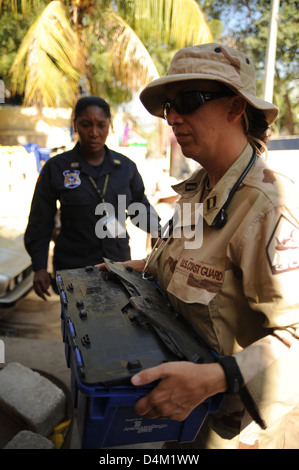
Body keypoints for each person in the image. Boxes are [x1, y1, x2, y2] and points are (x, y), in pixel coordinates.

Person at [99, 43, 299, 449]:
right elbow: (179, 265)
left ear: (235, 107)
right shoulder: (196, 192)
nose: (173, 117)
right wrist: (134, 269)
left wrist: (217, 377)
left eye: (189, 101)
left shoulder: (268, 205)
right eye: (169, 106)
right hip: (185, 419)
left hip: (238, 433)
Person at [24, 96, 160, 301]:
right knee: (77, 329)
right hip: (74, 267)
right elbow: (40, 221)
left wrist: (155, 228)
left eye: (101, 125)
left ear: (109, 126)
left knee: (119, 327)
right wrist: (40, 267)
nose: (94, 133)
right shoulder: (57, 168)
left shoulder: (125, 168)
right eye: (86, 125)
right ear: (75, 125)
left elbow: (139, 206)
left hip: (118, 267)